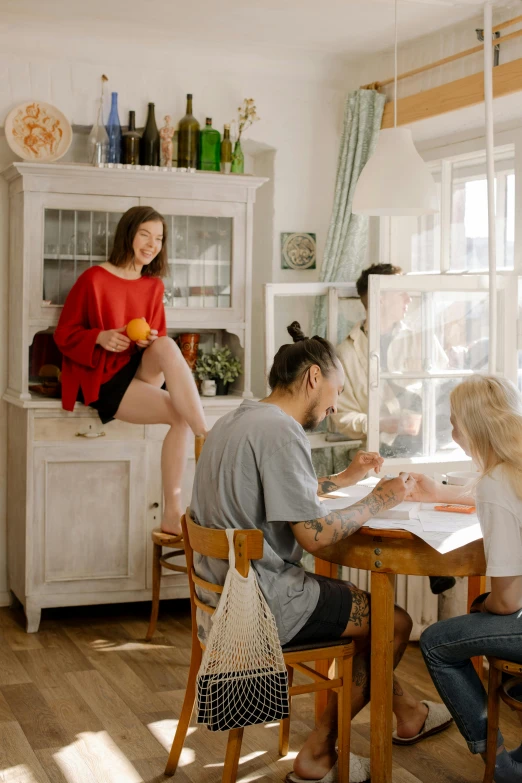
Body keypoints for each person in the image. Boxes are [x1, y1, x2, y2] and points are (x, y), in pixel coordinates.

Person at [191, 322, 452, 783]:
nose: (335, 405)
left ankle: (408, 712)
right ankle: (318, 752)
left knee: (360, 616)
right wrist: (380, 500)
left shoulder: (238, 419)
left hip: (222, 596)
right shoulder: (282, 432)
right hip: (264, 604)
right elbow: (313, 534)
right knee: (393, 624)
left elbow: (280, 493)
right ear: (313, 377)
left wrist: (345, 480)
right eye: (337, 390)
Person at [54, 205, 208, 536]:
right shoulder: (93, 279)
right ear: (128, 235)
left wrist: (149, 340)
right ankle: (173, 512)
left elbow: (157, 338)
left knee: (165, 344)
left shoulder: (153, 286)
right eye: (145, 235)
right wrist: (100, 336)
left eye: (159, 239)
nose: (152, 245)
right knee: (178, 415)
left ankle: (204, 434)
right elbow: (63, 334)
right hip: (105, 377)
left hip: (139, 368)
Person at [415, 376, 522, 783]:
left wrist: (482, 607)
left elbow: (509, 602)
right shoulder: (512, 470)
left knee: (436, 642)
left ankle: (499, 765)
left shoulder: (497, 484)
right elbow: (491, 494)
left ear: (475, 426)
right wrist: (435, 494)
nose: (452, 430)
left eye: (454, 421)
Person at [330, 263, 454, 596]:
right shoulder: (346, 353)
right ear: (380, 297)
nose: (409, 300)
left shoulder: (421, 340)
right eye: (402, 292)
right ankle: (434, 567)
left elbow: (444, 386)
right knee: (401, 482)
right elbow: (339, 418)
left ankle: (435, 563)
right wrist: (386, 423)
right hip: (379, 452)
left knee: (422, 482)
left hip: (426, 445)